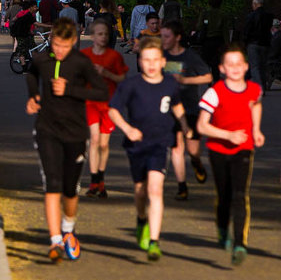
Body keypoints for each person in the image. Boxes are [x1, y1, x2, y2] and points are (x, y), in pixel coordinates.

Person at [25, 18, 108, 262]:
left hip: (75, 132)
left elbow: (102, 91)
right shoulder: (43, 59)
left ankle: (68, 230)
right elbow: (30, 73)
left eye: (63, 46)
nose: (58, 51)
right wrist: (34, 96)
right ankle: (54, 241)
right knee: (52, 183)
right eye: (54, 45)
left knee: (70, 190)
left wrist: (70, 90)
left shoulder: (81, 63)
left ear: (73, 41)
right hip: (47, 129)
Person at [108, 36, 192, 261]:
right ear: (140, 61)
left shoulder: (169, 84)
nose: (151, 64)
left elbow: (177, 105)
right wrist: (128, 130)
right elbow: (113, 110)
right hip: (136, 144)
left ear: (163, 62)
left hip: (160, 143)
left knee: (155, 189)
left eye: (156, 59)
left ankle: (154, 241)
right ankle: (141, 219)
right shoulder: (130, 85)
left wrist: (184, 125)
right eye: (146, 59)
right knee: (140, 190)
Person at [197, 44, 265, 265]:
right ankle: (221, 228)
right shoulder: (214, 92)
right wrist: (228, 135)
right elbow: (202, 126)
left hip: (244, 148)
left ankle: (239, 244)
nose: (235, 68)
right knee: (224, 194)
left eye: (239, 64)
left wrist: (255, 130)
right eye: (230, 64)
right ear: (222, 69)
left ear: (245, 67)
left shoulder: (254, 89)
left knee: (239, 195)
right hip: (218, 150)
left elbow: (255, 105)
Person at [161, 19, 212, 200]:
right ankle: (182, 186)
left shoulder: (189, 57)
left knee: (192, 150)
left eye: (166, 36)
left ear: (177, 37)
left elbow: (207, 77)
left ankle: (197, 163)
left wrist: (185, 81)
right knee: (176, 147)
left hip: (190, 108)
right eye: (162, 36)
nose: (163, 40)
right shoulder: (161, 56)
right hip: (169, 110)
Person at [81, 19, 128, 198]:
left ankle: (101, 178)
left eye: (106, 34)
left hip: (109, 103)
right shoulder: (84, 55)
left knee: (103, 143)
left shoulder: (114, 57)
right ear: (92, 36)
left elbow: (122, 79)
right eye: (100, 34)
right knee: (94, 140)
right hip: (91, 102)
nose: (103, 37)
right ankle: (94, 181)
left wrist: (106, 73)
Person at [244, 0, 271, 90]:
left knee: (254, 66)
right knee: (263, 66)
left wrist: (245, 42)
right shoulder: (269, 16)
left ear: (255, 4)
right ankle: (263, 85)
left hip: (253, 43)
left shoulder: (251, 16)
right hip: (265, 43)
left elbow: (247, 31)